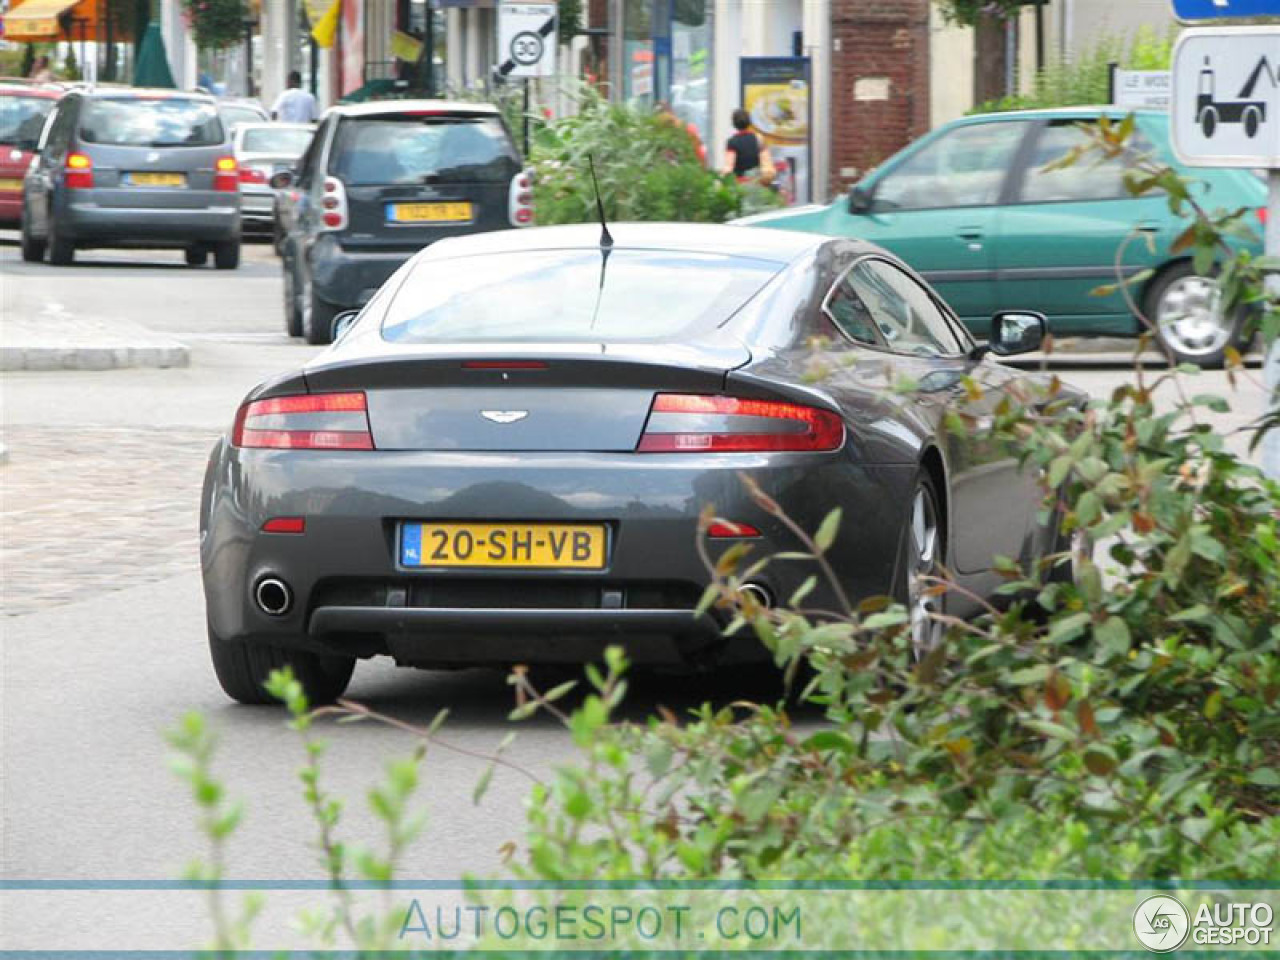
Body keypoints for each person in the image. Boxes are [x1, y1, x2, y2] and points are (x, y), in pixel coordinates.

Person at [721, 108, 774, 185]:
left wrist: (722, 180)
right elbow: (766, 162)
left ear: (734, 123)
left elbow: (728, 167)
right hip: (757, 183)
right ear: (749, 122)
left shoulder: (732, 142)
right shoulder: (758, 139)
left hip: (740, 185)